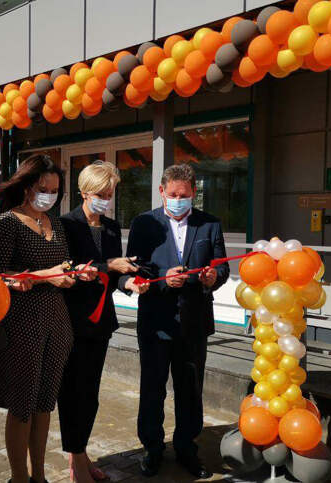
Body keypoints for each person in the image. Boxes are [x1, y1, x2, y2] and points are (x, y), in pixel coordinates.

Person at [0, 154, 96, 483]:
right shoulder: (8, 222)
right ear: (27, 186)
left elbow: (62, 265)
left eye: (55, 190)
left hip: (57, 322)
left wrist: (72, 274)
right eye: (44, 189)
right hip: (22, 323)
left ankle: (39, 476)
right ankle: (19, 477)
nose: (50, 196)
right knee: (22, 403)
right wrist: (47, 276)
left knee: (45, 402)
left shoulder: (54, 223)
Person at [120, 164, 229, 479]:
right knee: (152, 389)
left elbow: (222, 267)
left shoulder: (210, 224)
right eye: (173, 195)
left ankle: (186, 448)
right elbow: (136, 269)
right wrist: (163, 278)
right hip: (156, 321)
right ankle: (152, 448)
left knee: (190, 391)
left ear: (194, 192)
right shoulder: (144, 223)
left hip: (194, 322)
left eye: (184, 195)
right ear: (162, 192)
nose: (179, 200)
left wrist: (213, 277)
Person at [59, 161, 148, 483]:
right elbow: (69, 269)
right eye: (101, 194)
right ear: (84, 192)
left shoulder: (111, 227)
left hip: (101, 323)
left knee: (91, 394)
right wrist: (109, 265)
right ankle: (75, 462)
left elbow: (114, 276)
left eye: (110, 194)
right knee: (73, 393)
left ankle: (81, 454)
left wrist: (129, 283)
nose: (106, 200)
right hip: (72, 321)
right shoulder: (66, 225)